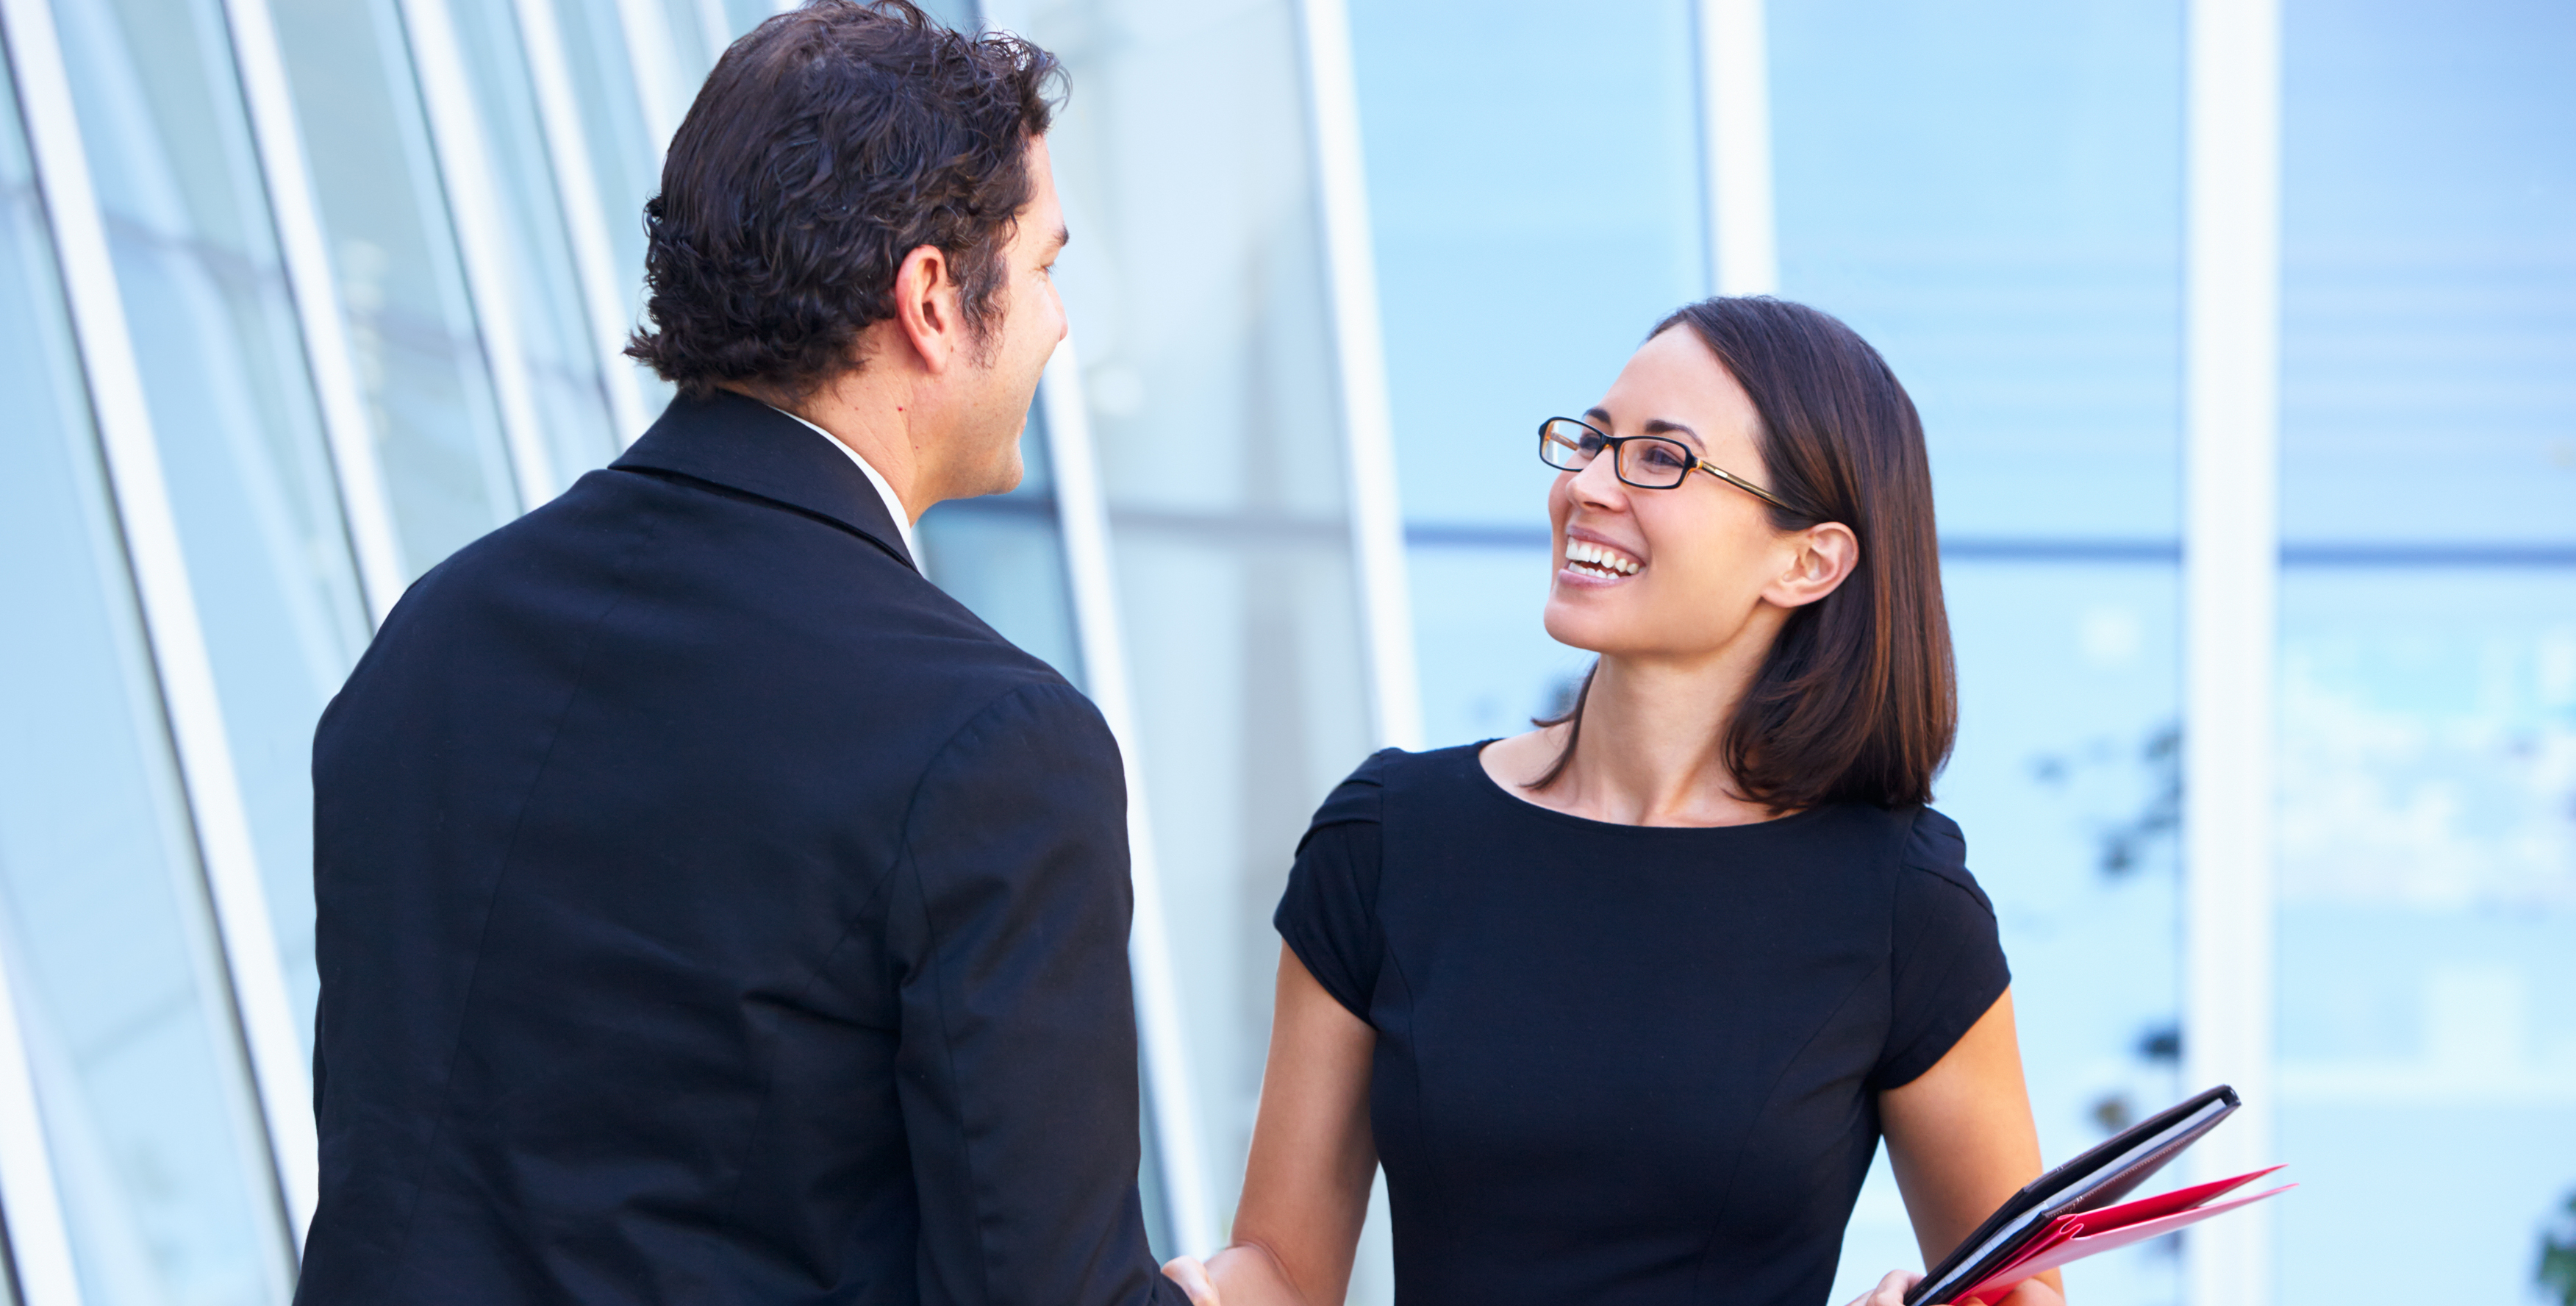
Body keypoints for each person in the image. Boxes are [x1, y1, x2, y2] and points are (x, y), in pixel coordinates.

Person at [297, 4, 1203, 1302]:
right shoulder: (995, 747)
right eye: (1049, 266)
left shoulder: (430, 640)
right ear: (935, 298)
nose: (1062, 323)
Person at [1159, 298, 2063, 1306]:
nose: (1586, 486)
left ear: (1808, 560)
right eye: (1592, 442)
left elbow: (2021, 1292)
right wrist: (1197, 1295)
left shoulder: (1904, 908)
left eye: (1662, 460)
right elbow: (1282, 1268)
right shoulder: (1388, 839)